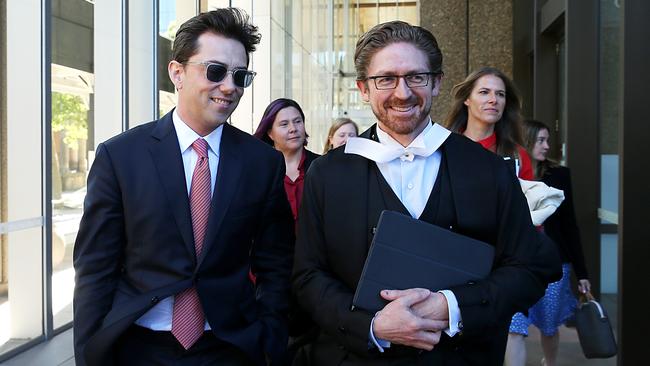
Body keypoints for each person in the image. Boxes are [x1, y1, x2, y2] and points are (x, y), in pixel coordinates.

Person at [292, 20, 561, 365]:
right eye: (385, 79)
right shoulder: (327, 174)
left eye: (416, 77)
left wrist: (451, 306)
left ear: (437, 83)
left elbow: (528, 267)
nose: (402, 93)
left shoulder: (488, 169)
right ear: (363, 88)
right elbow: (308, 276)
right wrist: (372, 325)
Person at [73, 8, 294, 366]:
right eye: (216, 71)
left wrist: (269, 335)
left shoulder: (262, 162)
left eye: (240, 76)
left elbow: (276, 262)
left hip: (231, 346)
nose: (229, 86)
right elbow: (96, 267)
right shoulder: (120, 156)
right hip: (138, 346)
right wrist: (91, 354)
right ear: (177, 72)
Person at [504, 120, 591, 366]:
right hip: (515, 263)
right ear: (527, 141)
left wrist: (582, 272)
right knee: (515, 326)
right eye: (541, 140)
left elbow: (570, 225)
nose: (547, 146)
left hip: (553, 262)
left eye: (547, 140)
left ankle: (549, 362)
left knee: (549, 325)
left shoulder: (559, 175)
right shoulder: (510, 171)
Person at [444, 67, 534, 181]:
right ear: (467, 99)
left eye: (500, 94)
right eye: (484, 92)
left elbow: (528, 198)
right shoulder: (443, 149)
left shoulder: (518, 155)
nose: (494, 100)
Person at [254, 98, 320, 221]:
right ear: (270, 133)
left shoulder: (321, 167)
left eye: (298, 121)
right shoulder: (258, 172)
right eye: (284, 124)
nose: (293, 128)